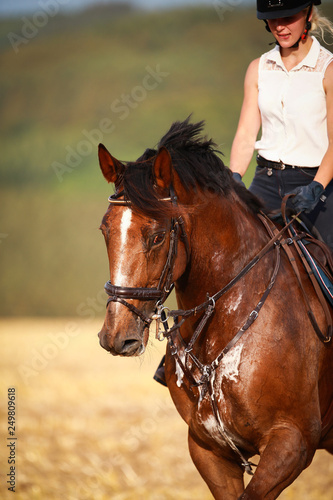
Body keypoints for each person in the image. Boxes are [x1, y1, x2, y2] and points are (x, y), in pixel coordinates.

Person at [230, 0, 333, 252]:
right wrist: (233, 177)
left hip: (315, 185)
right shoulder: (258, 69)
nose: (280, 26)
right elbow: (245, 134)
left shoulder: (328, 70)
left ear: (308, 14)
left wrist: (316, 187)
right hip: (265, 182)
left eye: (288, 18)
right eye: (273, 19)